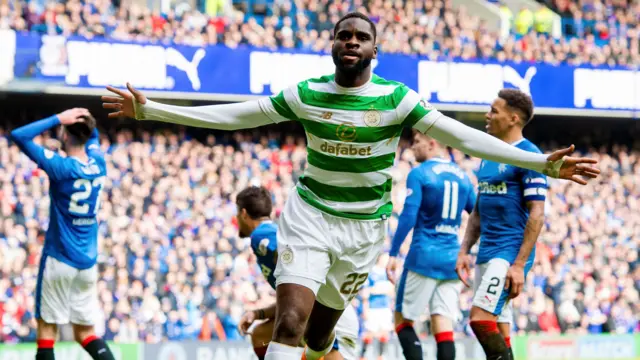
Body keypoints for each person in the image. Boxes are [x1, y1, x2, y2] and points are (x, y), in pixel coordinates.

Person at [102, 12, 599, 360]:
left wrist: (541, 165)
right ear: (333, 45)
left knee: (320, 337)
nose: (351, 41)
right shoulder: (307, 93)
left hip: (363, 234)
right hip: (310, 219)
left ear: (374, 50)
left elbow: (464, 137)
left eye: (361, 36)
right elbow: (237, 116)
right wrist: (152, 110)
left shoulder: (398, 100)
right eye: (344, 35)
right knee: (291, 323)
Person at [10, 109, 113, 360]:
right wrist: (86, 120)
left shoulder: (60, 167)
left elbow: (19, 136)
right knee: (85, 332)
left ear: (65, 135)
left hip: (59, 259)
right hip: (88, 263)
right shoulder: (98, 163)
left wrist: (58, 118)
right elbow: (93, 137)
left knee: (46, 329)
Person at [456, 89, 549, 360]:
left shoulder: (531, 155)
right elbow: (477, 212)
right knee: (499, 327)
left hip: (508, 255)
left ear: (513, 118)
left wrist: (519, 265)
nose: (487, 115)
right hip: (486, 252)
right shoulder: (488, 154)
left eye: (494, 111)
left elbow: (537, 214)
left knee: (480, 320)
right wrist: (464, 251)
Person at [234, 186, 359, 360]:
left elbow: (299, 271)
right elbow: (295, 300)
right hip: (325, 309)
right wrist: (257, 314)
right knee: (261, 335)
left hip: (329, 315)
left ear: (244, 214)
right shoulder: (272, 233)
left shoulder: (261, 236)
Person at [386, 131, 476, 360]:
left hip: (423, 256)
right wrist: (467, 250)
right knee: (443, 323)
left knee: (401, 319)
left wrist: (393, 253)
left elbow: (408, 216)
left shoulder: (420, 173)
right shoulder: (463, 176)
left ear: (432, 143)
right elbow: (478, 215)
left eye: (417, 142)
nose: (412, 148)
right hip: (451, 261)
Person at [359, 254, 394, 360]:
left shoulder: (388, 273)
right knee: (369, 332)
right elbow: (364, 292)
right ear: (379, 258)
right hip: (373, 308)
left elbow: (392, 291)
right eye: (385, 258)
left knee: (384, 332)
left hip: (385, 307)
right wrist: (365, 308)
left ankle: (380, 356)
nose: (386, 260)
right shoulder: (371, 272)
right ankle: (362, 356)